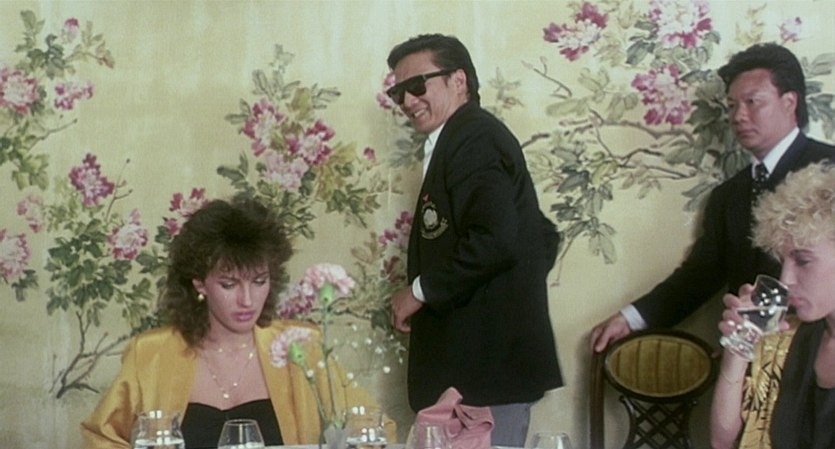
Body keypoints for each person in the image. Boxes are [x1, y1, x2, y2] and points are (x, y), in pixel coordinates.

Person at [81, 197, 391, 448]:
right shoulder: (151, 354)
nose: (247, 300)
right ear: (199, 283)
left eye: (259, 281)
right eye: (229, 284)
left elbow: (376, 428)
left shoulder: (302, 346)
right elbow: (100, 439)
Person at [591, 43, 835, 353]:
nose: (738, 116)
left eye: (752, 102)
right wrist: (632, 318)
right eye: (732, 105)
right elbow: (701, 275)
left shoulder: (830, 171)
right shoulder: (728, 195)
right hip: (748, 358)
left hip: (818, 353)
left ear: (789, 102)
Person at [386, 33, 562, 446]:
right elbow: (539, 235)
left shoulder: (473, 137)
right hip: (480, 374)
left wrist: (419, 291)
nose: (407, 101)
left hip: (486, 377)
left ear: (459, 80)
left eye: (417, 85)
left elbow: (495, 239)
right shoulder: (462, 138)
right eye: (398, 92)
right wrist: (509, 295)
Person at [710, 162, 835, 449]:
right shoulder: (782, 339)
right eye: (782, 261)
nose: (785, 280)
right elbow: (722, 442)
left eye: (803, 260)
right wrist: (737, 353)